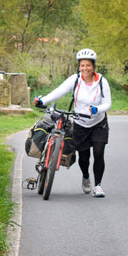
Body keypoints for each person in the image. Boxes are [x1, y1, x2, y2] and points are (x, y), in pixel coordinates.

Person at [33, 48, 112, 198]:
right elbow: (59, 91)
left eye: (88, 65)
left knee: (98, 153)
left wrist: (97, 109)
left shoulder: (102, 81)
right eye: (82, 65)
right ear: (79, 66)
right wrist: (43, 100)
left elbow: (108, 103)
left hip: (98, 123)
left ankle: (98, 186)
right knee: (84, 157)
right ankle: (86, 177)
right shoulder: (75, 79)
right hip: (80, 123)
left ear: (93, 66)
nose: (85, 68)